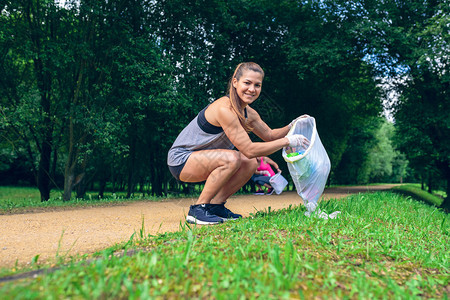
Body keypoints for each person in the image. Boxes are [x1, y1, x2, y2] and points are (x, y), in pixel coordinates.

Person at [167, 62, 310, 225]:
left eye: (257, 85)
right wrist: (287, 141)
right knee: (234, 158)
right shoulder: (224, 108)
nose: (252, 89)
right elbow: (249, 149)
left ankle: (215, 206)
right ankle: (198, 209)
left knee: (250, 162)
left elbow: (270, 135)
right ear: (235, 82)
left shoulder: (249, 113)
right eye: (247, 83)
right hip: (181, 161)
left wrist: (293, 125)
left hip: (207, 161)